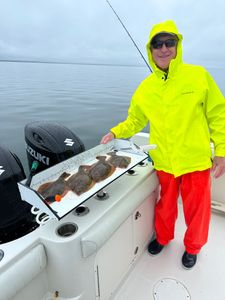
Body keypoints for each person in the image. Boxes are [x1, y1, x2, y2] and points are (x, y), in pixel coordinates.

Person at [101, 20, 225, 269]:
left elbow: (218, 114)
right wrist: (115, 132)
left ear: (178, 45)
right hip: (165, 161)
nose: (164, 48)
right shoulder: (146, 88)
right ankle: (164, 237)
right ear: (150, 49)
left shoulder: (198, 76)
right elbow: (135, 120)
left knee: (198, 212)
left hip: (195, 160)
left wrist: (221, 150)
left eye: (170, 42)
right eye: (158, 43)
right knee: (165, 206)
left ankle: (193, 247)